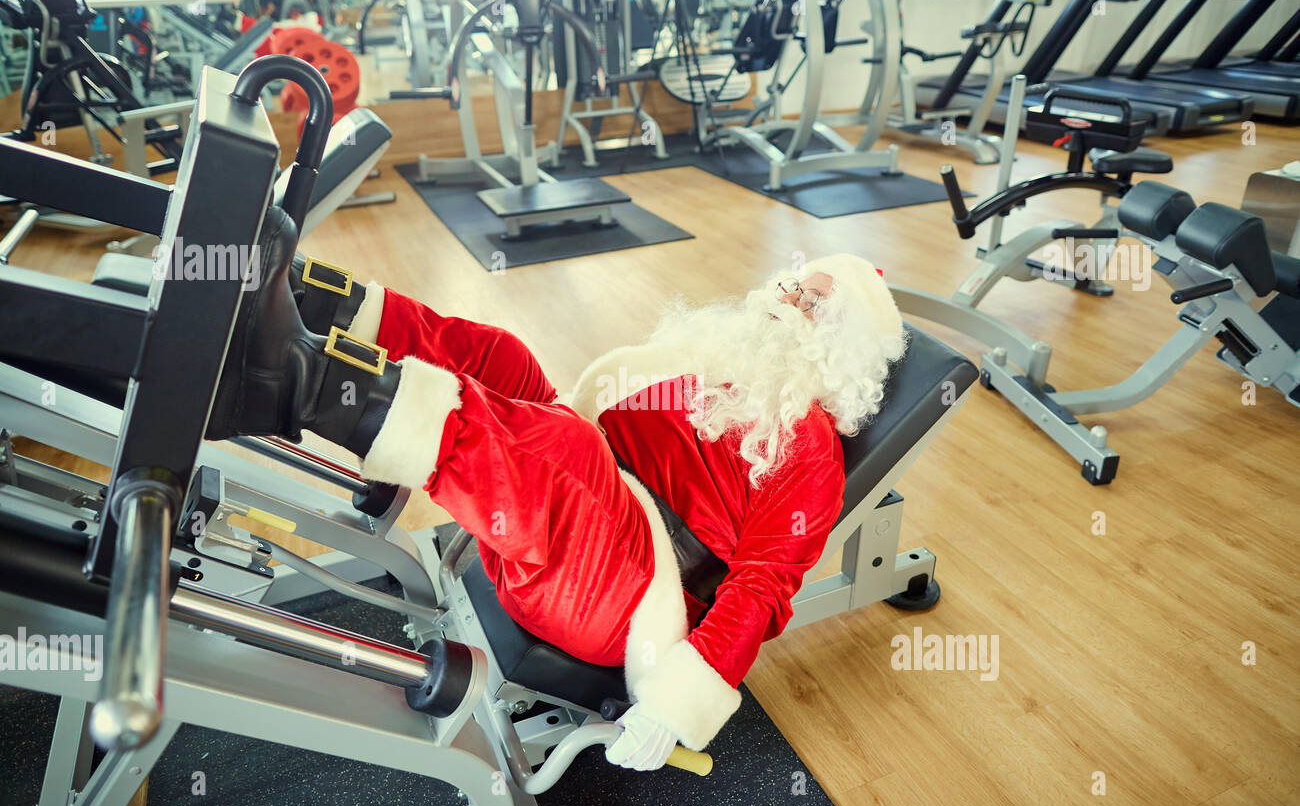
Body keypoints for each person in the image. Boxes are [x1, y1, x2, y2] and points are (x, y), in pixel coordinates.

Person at [206, 208, 907, 770]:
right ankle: (314, 301)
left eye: (811, 300)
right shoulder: (719, 365)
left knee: (565, 447)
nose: (787, 298)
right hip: (578, 521)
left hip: (627, 593)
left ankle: (297, 382)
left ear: (838, 346)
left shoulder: (809, 447)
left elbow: (764, 583)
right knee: (505, 359)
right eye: (792, 283)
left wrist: (672, 704)